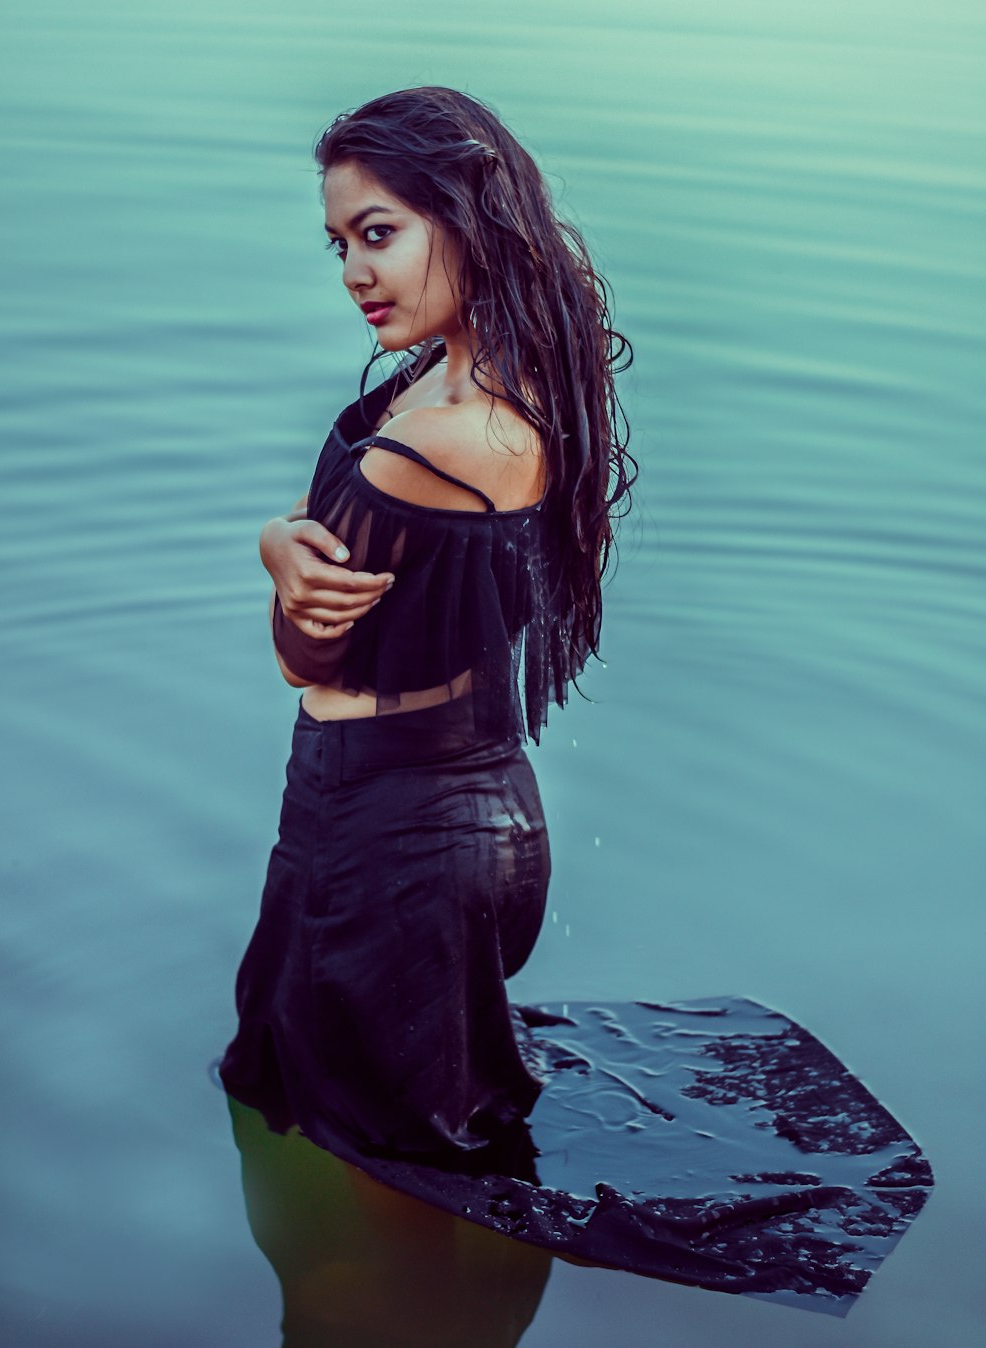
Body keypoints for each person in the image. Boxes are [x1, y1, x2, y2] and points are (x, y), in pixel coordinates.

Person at [219, 87, 634, 1173]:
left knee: (351, 1163)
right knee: (376, 1142)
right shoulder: (499, 386)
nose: (355, 271)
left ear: (467, 217)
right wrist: (282, 533)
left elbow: (304, 651)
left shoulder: (438, 439)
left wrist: (276, 554)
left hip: (388, 838)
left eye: (379, 233)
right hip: (459, 820)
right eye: (340, 244)